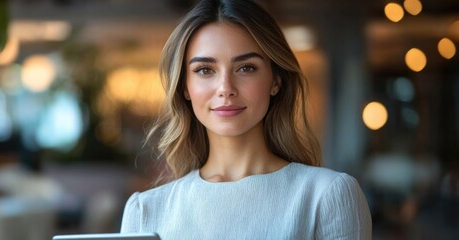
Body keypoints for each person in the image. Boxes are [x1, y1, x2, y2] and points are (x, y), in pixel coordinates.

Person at [120, 0, 372, 239]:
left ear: (275, 80)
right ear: (185, 87)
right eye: (205, 70)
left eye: (246, 68)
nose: (225, 88)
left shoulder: (328, 195)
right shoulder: (145, 211)